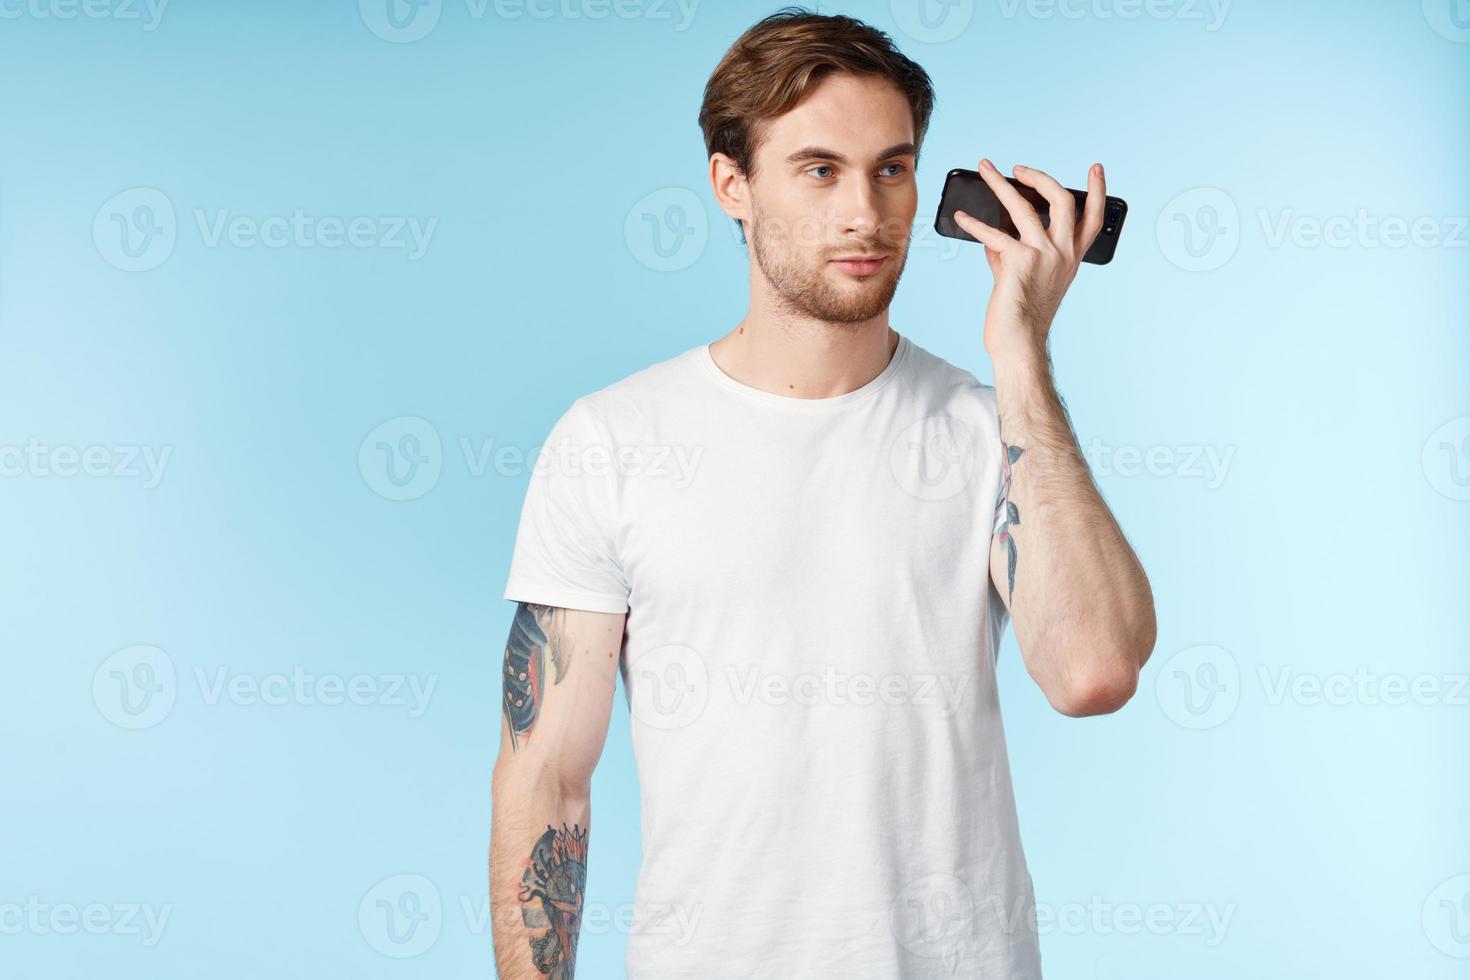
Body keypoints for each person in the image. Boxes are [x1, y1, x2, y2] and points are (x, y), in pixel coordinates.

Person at [490, 8, 1156, 978]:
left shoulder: (989, 431)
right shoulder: (614, 440)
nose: (865, 211)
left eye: (892, 167)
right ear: (732, 185)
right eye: (819, 169)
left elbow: (1092, 668)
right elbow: (547, 779)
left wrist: (1021, 353)